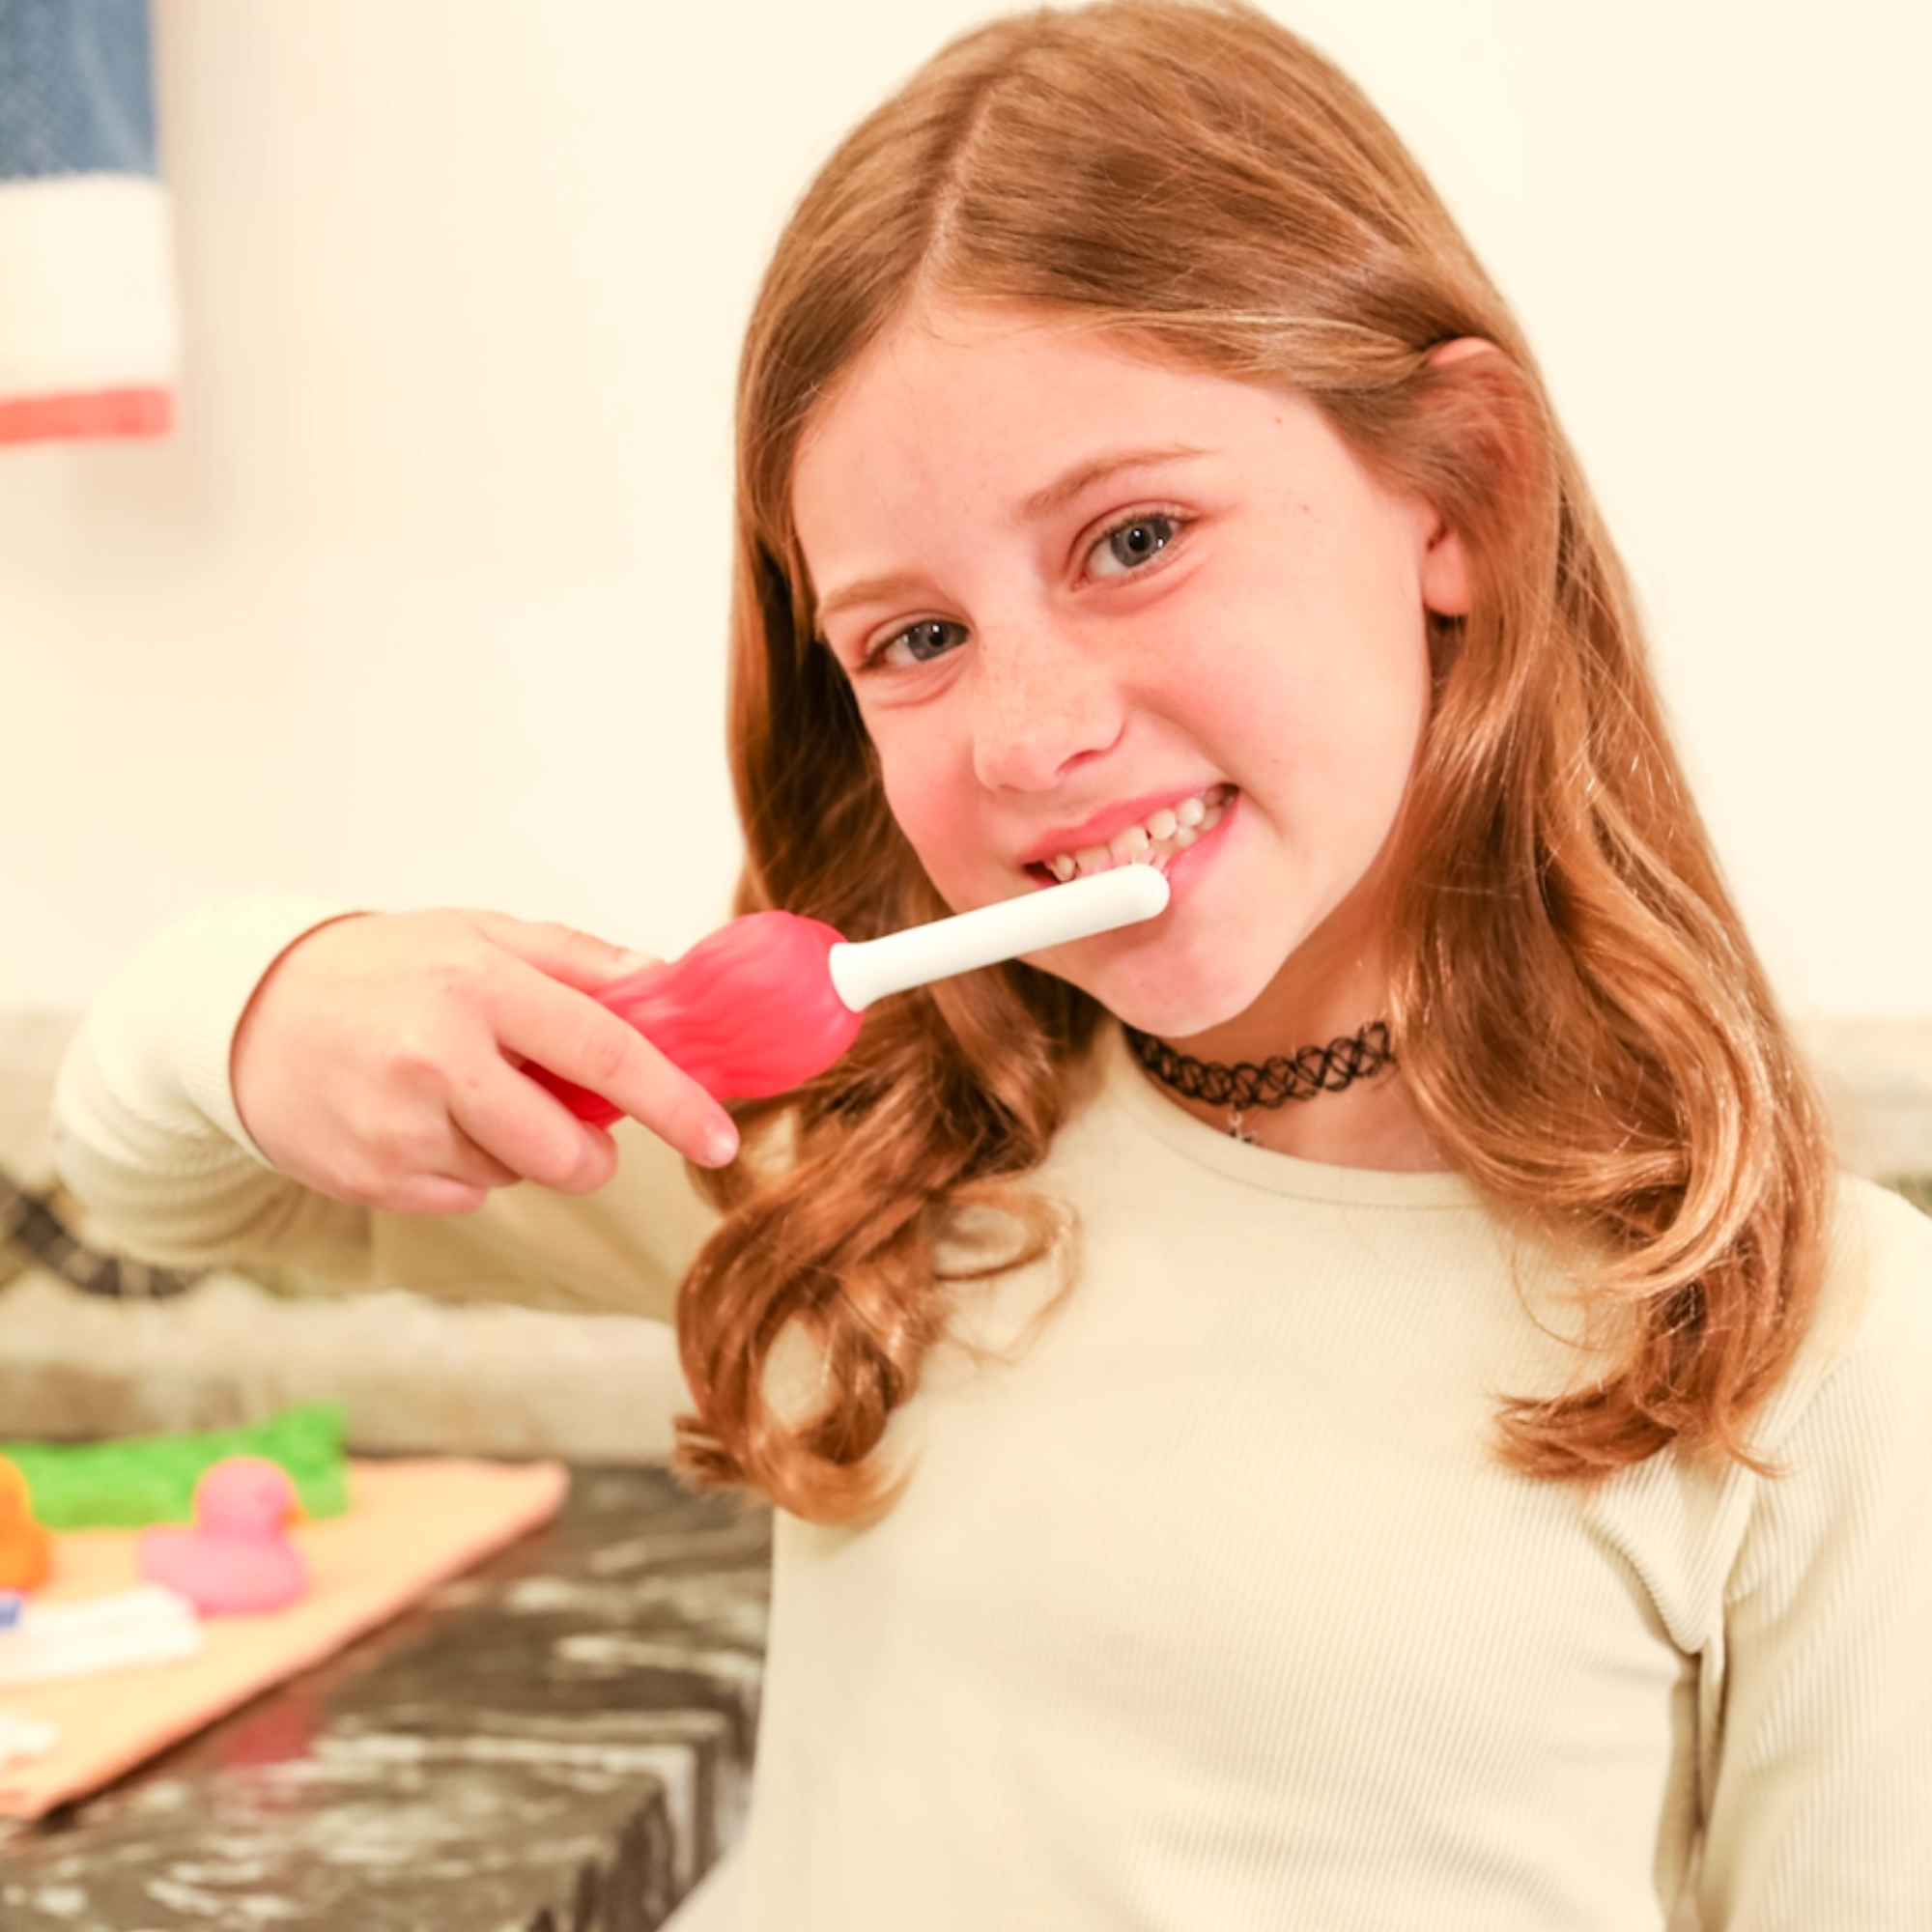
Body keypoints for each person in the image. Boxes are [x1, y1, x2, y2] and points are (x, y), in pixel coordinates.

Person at [52, 2, 1932, 1925]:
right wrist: (290, 995)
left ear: (1458, 491)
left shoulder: (1818, 1343)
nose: (1033, 736)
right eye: (917, 640)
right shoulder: (853, 1159)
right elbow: (157, 1174)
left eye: (1135, 537)